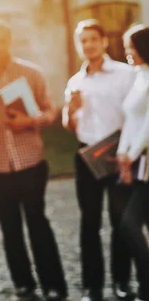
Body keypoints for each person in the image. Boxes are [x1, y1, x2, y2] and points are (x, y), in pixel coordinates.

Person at [0, 20, 67, 301]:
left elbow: (50, 111)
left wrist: (29, 120)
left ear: (10, 41)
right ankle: (23, 284)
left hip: (30, 161)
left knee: (38, 224)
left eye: (2, 41)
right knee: (10, 229)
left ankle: (54, 285)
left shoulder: (31, 73)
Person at [62, 19, 136, 301]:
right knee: (89, 222)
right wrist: (71, 108)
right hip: (86, 155)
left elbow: (135, 115)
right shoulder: (75, 82)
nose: (88, 45)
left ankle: (122, 281)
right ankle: (92, 287)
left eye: (93, 38)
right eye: (83, 40)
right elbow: (69, 124)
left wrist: (129, 153)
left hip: (118, 154)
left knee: (121, 220)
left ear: (104, 41)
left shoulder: (124, 74)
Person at [118, 24, 149, 301]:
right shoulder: (139, 76)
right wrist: (121, 151)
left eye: (131, 47)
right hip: (140, 165)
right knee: (134, 223)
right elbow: (131, 119)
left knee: (130, 222)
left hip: (145, 161)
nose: (128, 53)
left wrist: (132, 153)